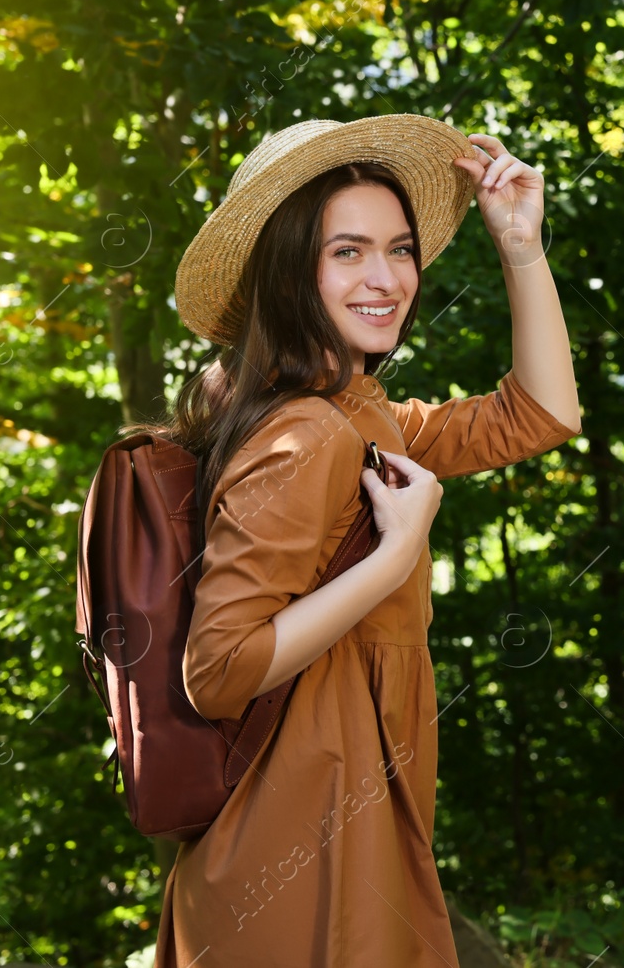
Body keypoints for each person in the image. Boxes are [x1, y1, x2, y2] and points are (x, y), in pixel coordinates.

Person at [149, 114, 580, 967]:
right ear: (286, 272)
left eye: (399, 249)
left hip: (344, 821)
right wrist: (391, 558)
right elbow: (218, 669)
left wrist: (522, 251)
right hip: (301, 854)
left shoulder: (360, 411)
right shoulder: (305, 435)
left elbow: (541, 413)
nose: (385, 277)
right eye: (346, 251)